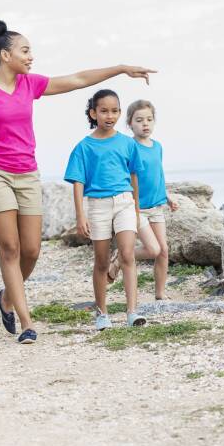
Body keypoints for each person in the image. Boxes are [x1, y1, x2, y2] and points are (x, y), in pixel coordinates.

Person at [0, 19, 156, 344]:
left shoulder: (29, 84)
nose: (31, 56)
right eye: (25, 50)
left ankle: (6, 299)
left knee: (31, 250)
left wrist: (119, 68)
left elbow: (76, 79)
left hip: (27, 173)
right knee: (10, 248)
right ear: (6, 55)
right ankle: (27, 322)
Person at [65, 90, 146, 329]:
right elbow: (78, 183)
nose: (109, 116)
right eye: (104, 111)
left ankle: (133, 312)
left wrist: (137, 208)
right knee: (101, 262)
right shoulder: (84, 147)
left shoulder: (128, 143)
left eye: (114, 111)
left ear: (120, 113)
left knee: (128, 255)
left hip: (124, 203)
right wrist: (80, 215)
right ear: (93, 113)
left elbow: (133, 177)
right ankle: (102, 314)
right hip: (97, 205)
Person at [111, 99, 178, 300]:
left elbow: (157, 174)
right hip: (136, 208)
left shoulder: (157, 147)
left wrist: (167, 196)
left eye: (149, 119)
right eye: (139, 120)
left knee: (163, 251)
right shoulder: (129, 146)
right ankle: (119, 257)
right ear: (130, 123)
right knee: (152, 249)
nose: (145, 124)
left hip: (157, 207)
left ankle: (160, 293)